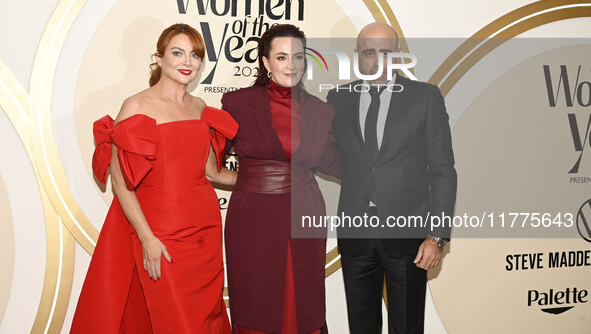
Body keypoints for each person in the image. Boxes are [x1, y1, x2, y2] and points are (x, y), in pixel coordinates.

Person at [70, 23, 237, 334]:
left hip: (205, 231)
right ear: (159, 59)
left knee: (205, 320)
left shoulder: (199, 107)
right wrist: (147, 239)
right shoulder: (136, 106)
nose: (188, 62)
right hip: (162, 231)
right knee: (177, 323)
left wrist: (267, 177)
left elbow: (212, 172)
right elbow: (121, 183)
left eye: (195, 55)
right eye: (178, 53)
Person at [326, 22, 457, 334]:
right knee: (361, 326)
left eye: (386, 52)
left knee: (407, 326)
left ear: (398, 55)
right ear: (358, 56)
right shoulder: (337, 99)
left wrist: (437, 236)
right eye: (369, 53)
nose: (378, 61)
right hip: (355, 233)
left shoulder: (425, 97)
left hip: (409, 237)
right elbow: (325, 155)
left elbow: (443, 170)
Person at [221, 24, 340, 334]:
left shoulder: (321, 110)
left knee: (304, 297)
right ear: (266, 62)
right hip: (253, 216)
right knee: (256, 297)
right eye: (282, 57)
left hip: (305, 211)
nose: (291, 65)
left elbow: (335, 163)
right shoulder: (236, 104)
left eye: (298, 57)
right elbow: (208, 160)